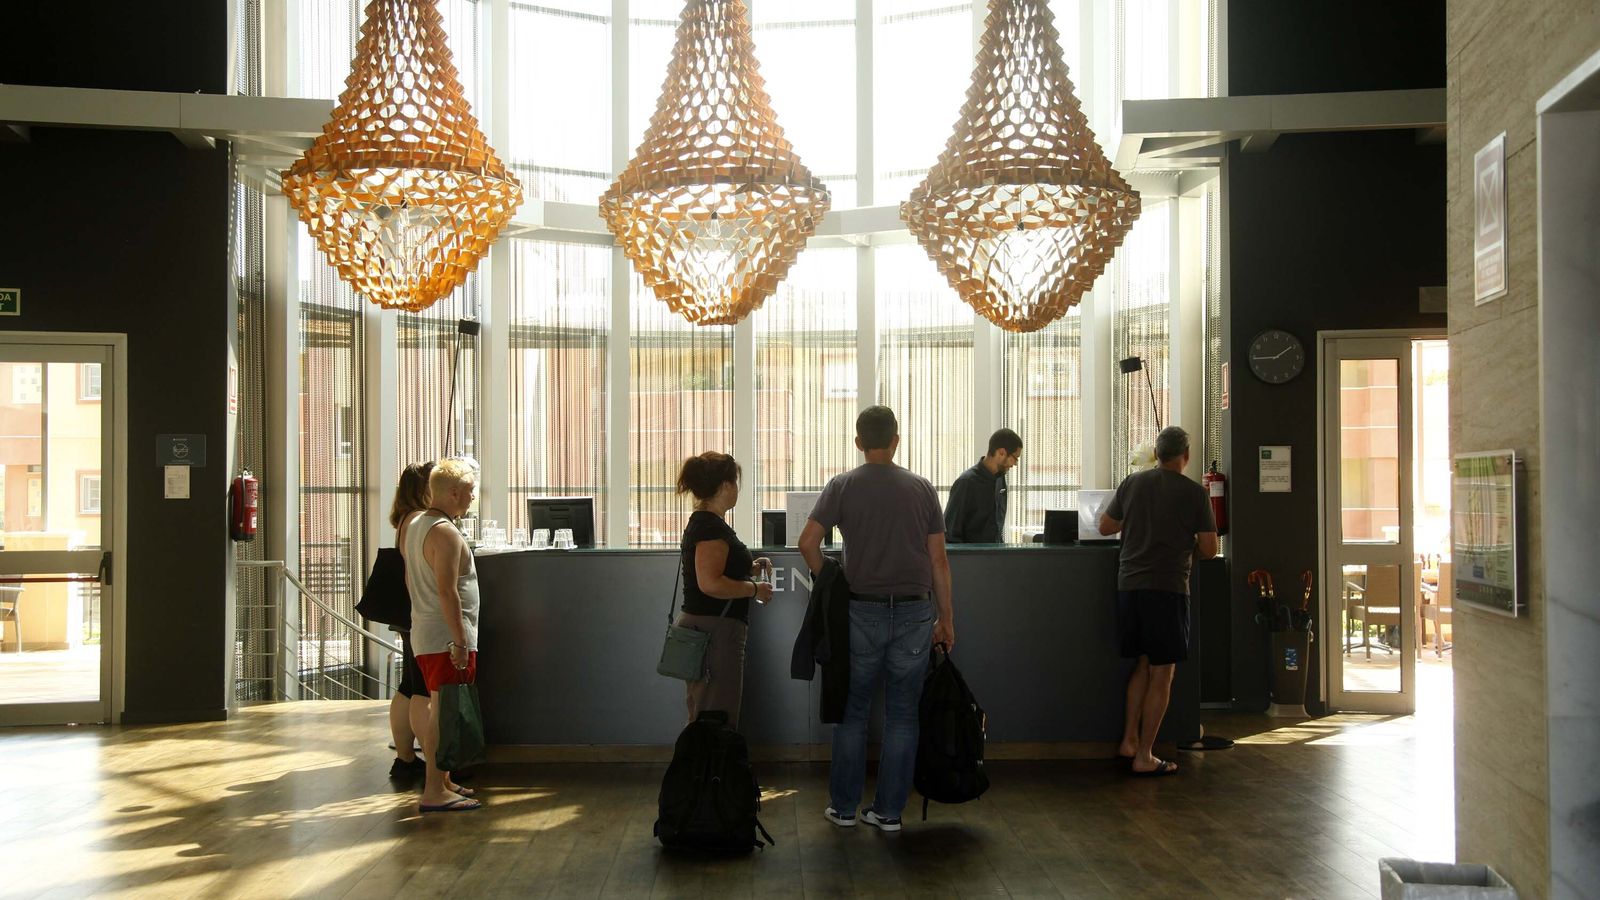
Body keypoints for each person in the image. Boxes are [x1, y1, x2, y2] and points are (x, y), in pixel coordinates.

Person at [800, 405, 954, 832]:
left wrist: (830, 578)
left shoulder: (842, 485)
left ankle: (844, 809)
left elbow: (808, 542)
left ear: (858, 442)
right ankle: (888, 812)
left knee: (853, 712)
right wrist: (946, 620)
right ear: (896, 440)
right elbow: (939, 561)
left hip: (860, 610)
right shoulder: (922, 488)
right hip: (915, 611)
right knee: (903, 715)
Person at [1098, 426, 1218, 777]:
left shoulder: (1132, 483)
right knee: (1162, 673)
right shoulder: (1195, 494)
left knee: (1142, 665)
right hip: (1167, 589)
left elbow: (1105, 526)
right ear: (1186, 456)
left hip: (1129, 587)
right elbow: (1210, 549)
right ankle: (1145, 755)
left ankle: (1128, 741)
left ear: (1157, 453)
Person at [405, 456, 483, 812]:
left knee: (442, 708)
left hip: (426, 632)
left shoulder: (417, 524)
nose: (472, 497)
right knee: (443, 712)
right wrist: (460, 641)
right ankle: (434, 790)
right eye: (469, 491)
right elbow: (447, 592)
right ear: (453, 493)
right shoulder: (446, 533)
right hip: (445, 638)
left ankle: (445, 781)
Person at [674, 452, 774, 728]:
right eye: (736, 483)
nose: (737, 490)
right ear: (726, 486)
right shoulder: (710, 528)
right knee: (716, 716)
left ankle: (706, 758)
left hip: (707, 629)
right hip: (714, 632)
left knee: (706, 710)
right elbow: (710, 583)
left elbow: (716, 571)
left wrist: (750, 567)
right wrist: (754, 590)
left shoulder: (706, 523)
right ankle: (710, 760)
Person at [386, 461, 434, 782]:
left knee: (408, 685)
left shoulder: (405, 518)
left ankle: (405, 757)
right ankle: (433, 764)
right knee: (421, 689)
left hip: (406, 611)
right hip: (418, 610)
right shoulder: (419, 521)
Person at [944, 428, 1022, 543]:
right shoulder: (966, 482)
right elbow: (950, 533)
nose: (1015, 464)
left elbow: (996, 529)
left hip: (995, 553)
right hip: (971, 554)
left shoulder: (1000, 480)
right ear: (1001, 452)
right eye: (1015, 458)